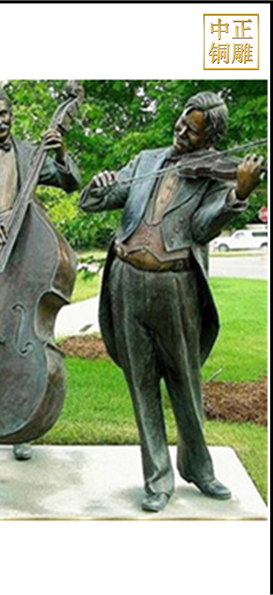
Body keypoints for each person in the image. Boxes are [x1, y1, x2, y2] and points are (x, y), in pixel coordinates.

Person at [79, 92, 264, 512]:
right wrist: (99, 184)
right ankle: (157, 479)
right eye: (181, 122)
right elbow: (93, 202)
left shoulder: (215, 176)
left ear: (210, 138)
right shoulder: (146, 160)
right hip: (126, 281)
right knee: (141, 384)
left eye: (192, 131)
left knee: (185, 379)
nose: (181, 132)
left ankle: (198, 467)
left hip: (175, 286)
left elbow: (201, 228)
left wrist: (238, 193)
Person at [0, 85, 82, 461]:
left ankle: (21, 420)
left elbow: (69, 182)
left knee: (17, 325)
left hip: (22, 248)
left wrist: (60, 151)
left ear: (12, 112)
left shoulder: (28, 151)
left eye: (3, 114)